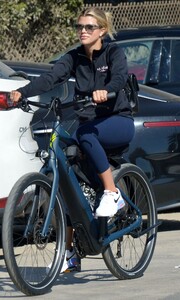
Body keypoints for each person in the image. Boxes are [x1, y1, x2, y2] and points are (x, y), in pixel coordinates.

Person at [10, 7, 135, 272]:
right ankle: (71, 252)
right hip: (90, 124)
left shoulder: (113, 53)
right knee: (67, 177)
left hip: (118, 122)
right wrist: (22, 92)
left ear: (101, 30)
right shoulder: (74, 57)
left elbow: (120, 78)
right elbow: (50, 78)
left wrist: (107, 91)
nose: (83, 31)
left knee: (83, 134)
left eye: (89, 27)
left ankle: (113, 193)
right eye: (79, 26)